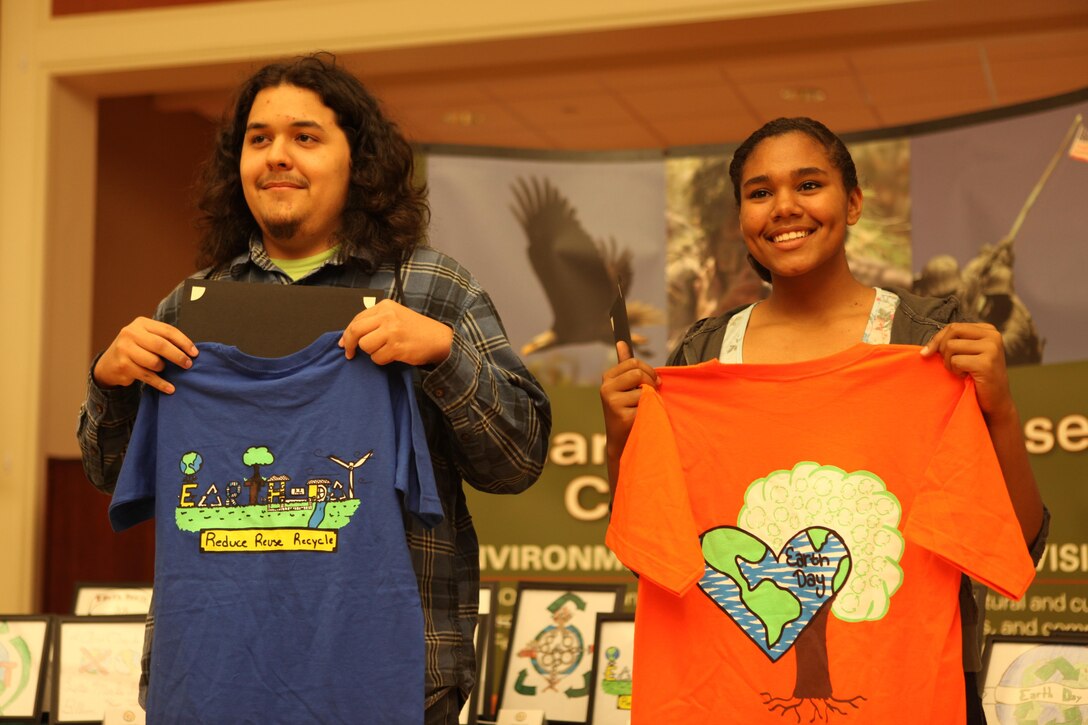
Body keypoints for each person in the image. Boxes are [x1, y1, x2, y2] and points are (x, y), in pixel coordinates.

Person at [77, 52, 551, 724]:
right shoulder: (190, 306)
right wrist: (111, 381)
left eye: (306, 137)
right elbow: (109, 472)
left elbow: (520, 459)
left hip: (396, 679)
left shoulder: (432, 287)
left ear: (357, 160)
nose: (277, 156)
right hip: (220, 676)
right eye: (259, 139)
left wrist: (445, 354)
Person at [601, 117, 1047, 723]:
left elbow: (1016, 544)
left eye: (809, 185)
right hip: (726, 701)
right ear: (741, 219)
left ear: (854, 202)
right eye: (760, 193)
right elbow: (649, 553)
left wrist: (1001, 412)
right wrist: (622, 438)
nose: (784, 207)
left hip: (912, 692)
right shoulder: (702, 355)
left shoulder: (927, 344)